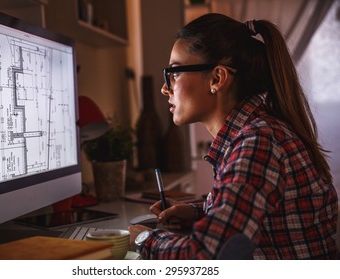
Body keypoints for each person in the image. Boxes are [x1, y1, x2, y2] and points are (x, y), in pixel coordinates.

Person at [128, 13, 339, 259]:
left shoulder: (258, 142)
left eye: (174, 73)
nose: (165, 88)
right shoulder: (257, 132)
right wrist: (201, 211)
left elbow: (207, 256)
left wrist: (145, 238)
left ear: (217, 79)